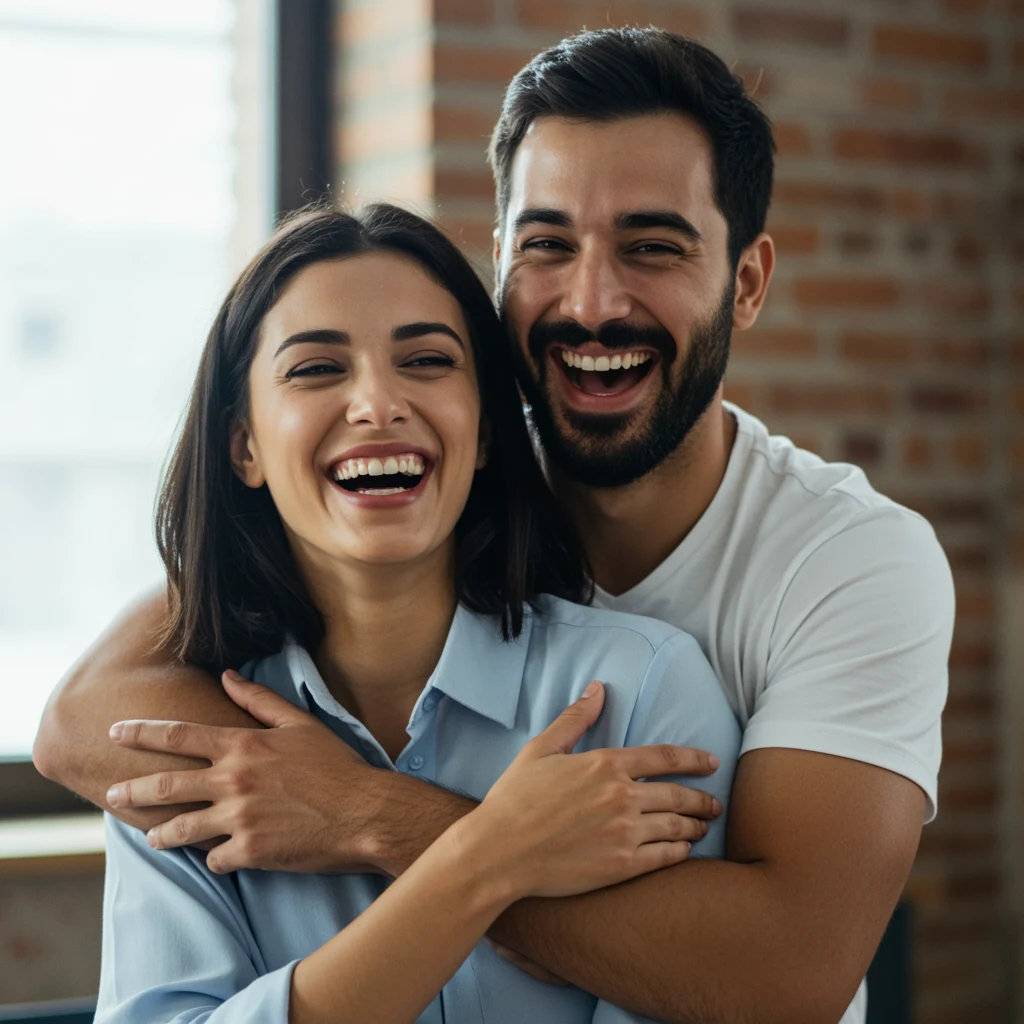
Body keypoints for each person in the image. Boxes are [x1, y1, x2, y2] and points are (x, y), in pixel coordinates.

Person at [35, 27, 954, 1024]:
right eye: (547, 244)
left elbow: (785, 975)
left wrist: (364, 813)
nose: (592, 301)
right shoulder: (411, 471)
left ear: (746, 280)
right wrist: (498, 853)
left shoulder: (837, 567)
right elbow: (86, 716)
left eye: (651, 246)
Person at [90, 201, 739, 1024]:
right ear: (243, 446)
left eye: (428, 360)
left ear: (488, 429)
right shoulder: (190, 755)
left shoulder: (643, 692)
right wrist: (488, 855)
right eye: (317, 369)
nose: (377, 404)